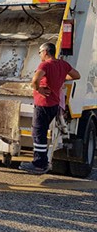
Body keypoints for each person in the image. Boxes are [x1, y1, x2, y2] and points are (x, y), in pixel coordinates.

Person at [19, 42, 80, 174]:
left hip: (43, 104)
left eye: (40, 52)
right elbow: (77, 75)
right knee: (41, 132)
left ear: (46, 52)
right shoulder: (63, 65)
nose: (40, 55)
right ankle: (43, 162)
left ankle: (39, 164)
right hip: (54, 104)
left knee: (38, 133)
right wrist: (61, 78)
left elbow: (35, 80)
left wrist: (38, 89)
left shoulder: (45, 65)